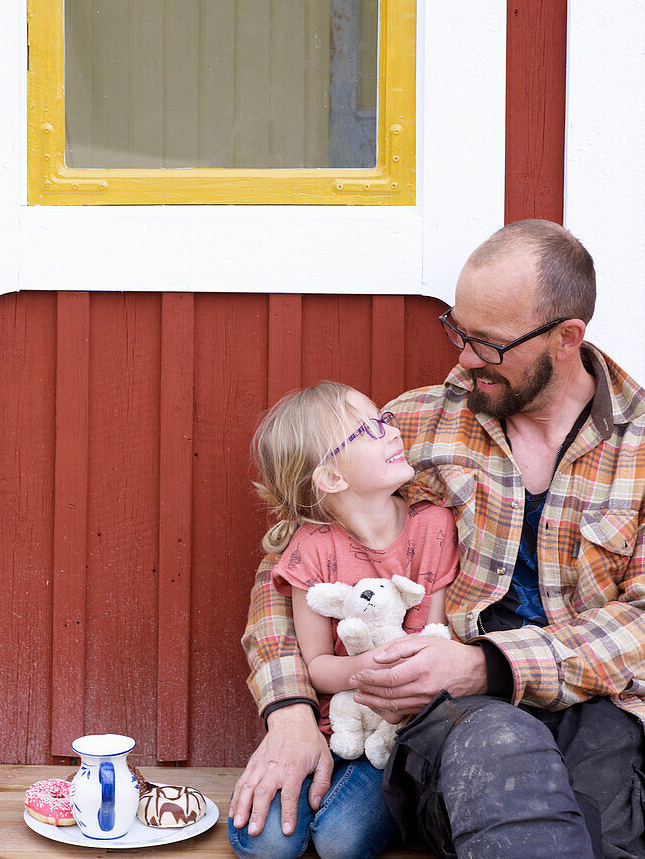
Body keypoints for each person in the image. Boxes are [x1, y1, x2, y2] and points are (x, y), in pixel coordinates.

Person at [229, 220, 645, 858]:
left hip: (598, 705)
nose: (463, 358)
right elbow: (288, 567)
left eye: (488, 343)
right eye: (459, 331)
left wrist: (491, 664)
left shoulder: (639, 450)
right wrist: (287, 708)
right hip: (451, 719)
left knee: (604, 831)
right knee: (497, 759)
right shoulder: (420, 422)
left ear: (567, 339)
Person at [227, 382, 458, 859]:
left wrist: (401, 681)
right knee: (266, 842)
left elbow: (436, 636)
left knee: (339, 841)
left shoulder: (434, 526)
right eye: (370, 430)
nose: (392, 431)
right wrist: (374, 669)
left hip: (401, 734)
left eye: (385, 420)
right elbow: (317, 666)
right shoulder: (311, 550)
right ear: (331, 478)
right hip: (336, 725)